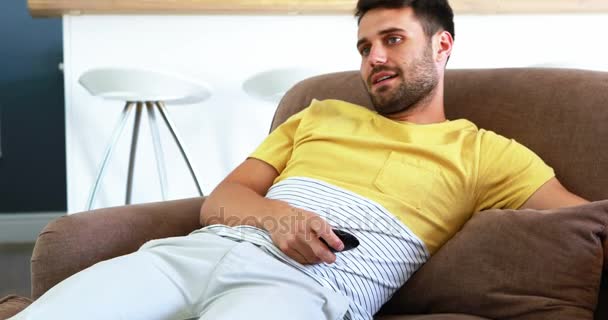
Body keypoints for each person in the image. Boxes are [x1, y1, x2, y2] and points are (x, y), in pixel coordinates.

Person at [10, 1, 593, 320]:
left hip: (309, 289)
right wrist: (277, 216)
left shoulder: (486, 152)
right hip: (189, 257)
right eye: (365, 46)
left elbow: (587, 219)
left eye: (393, 39)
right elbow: (222, 200)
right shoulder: (319, 115)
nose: (374, 59)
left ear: (442, 45)